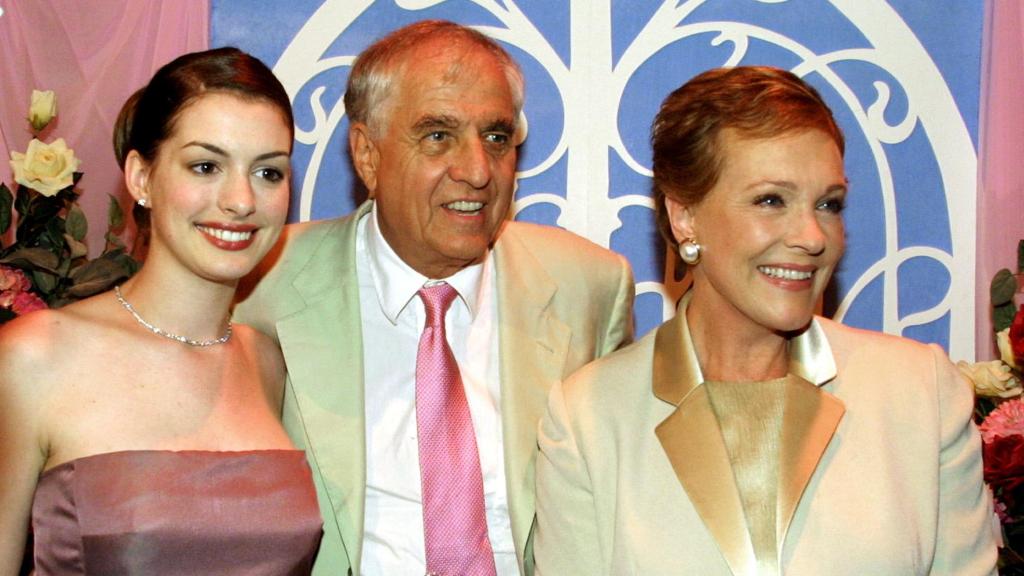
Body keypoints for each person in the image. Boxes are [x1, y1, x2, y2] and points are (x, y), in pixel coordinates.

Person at [534, 66, 997, 575]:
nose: (812, 235)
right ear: (684, 217)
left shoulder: (920, 392)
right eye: (771, 200)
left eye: (828, 204)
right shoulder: (589, 419)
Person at [234, 19, 635, 576]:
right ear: (367, 156)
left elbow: (618, 509)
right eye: (438, 136)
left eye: (496, 138)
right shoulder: (261, 288)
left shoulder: (587, 286)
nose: (477, 171)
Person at [0, 47, 323, 575]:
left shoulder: (269, 362)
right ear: (141, 177)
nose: (241, 200)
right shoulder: (34, 356)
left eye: (268, 172)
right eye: (206, 165)